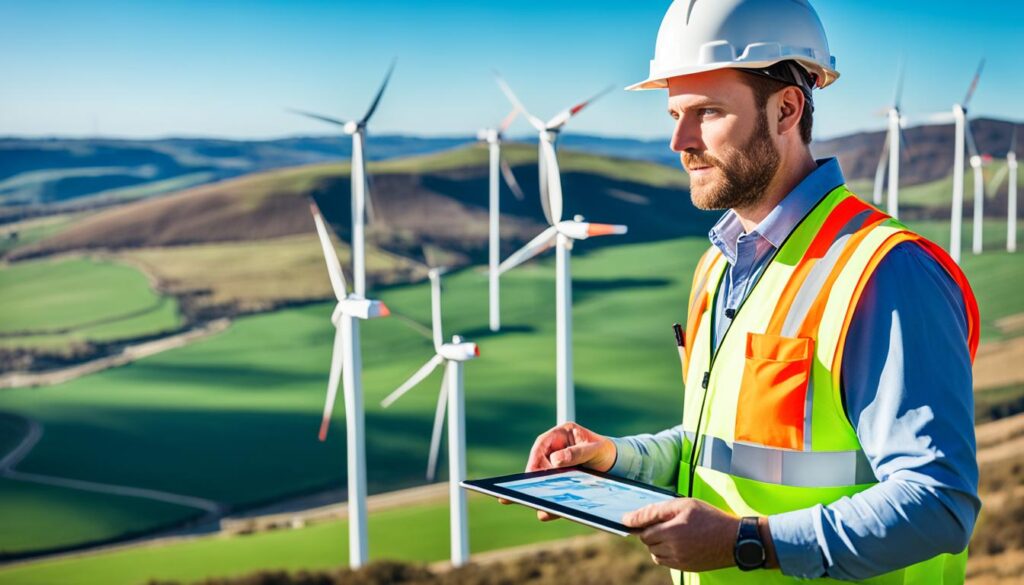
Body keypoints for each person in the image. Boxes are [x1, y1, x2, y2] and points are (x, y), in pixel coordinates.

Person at [515, 1, 981, 583]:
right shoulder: (719, 265)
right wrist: (614, 458)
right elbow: (717, 447)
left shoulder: (885, 272)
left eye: (707, 113)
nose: (679, 142)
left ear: (787, 109)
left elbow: (938, 503)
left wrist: (748, 542)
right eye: (674, 115)